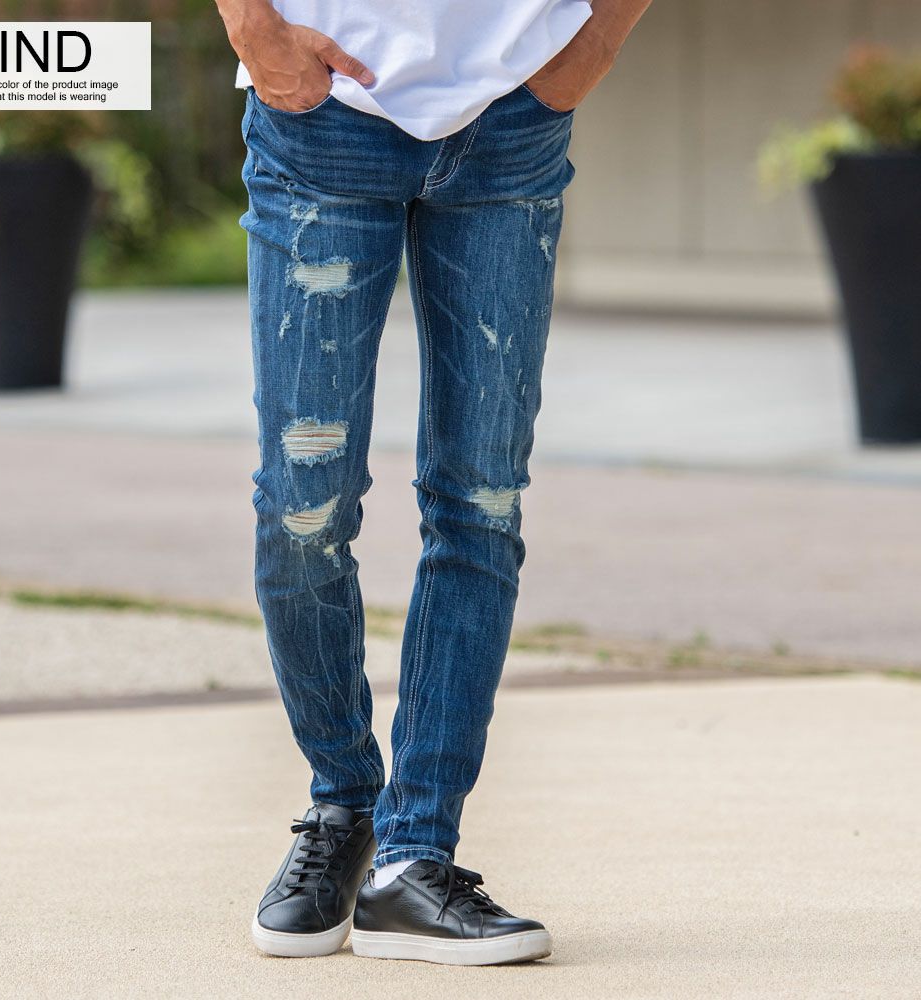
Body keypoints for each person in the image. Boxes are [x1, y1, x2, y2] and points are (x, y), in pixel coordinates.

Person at [215, 0, 652, 966]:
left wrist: (596, 41)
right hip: (324, 116)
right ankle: (345, 805)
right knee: (303, 507)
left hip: (514, 112)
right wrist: (253, 27)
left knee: (479, 503)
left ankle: (415, 856)